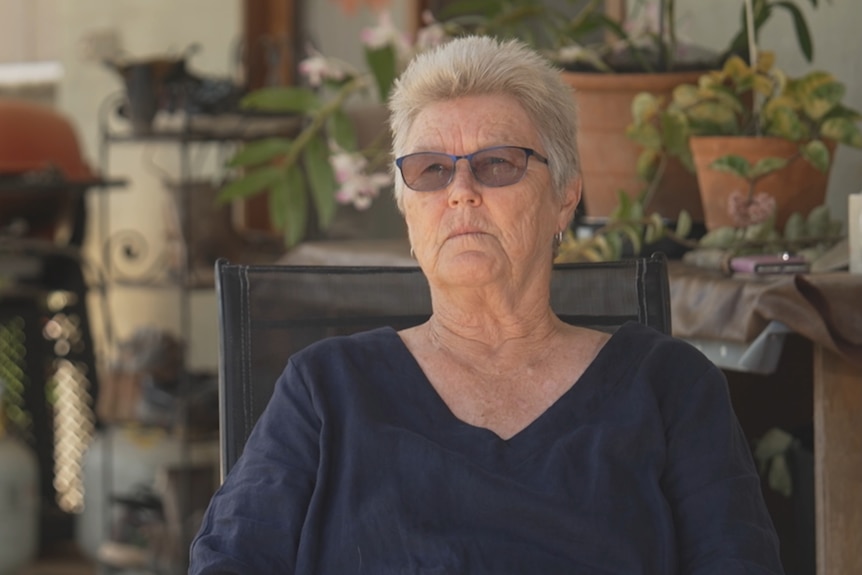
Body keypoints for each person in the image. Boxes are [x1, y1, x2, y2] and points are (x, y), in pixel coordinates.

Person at [189, 36, 784, 574]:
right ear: (406, 211)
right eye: (431, 170)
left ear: (564, 199)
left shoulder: (670, 390)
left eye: (498, 163)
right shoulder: (323, 391)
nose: (462, 192)